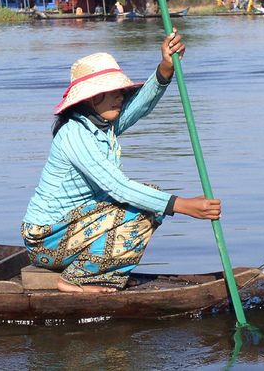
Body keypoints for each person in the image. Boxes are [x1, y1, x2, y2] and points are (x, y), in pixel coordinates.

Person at [21, 29, 222, 293]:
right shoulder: (75, 133)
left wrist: (165, 68)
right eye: (115, 92)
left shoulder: (104, 126)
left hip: (77, 228)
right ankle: (74, 279)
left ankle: (107, 270)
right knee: (147, 206)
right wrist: (182, 205)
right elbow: (119, 188)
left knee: (149, 198)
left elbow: (141, 105)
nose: (122, 97)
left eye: (121, 92)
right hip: (46, 240)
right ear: (93, 98)